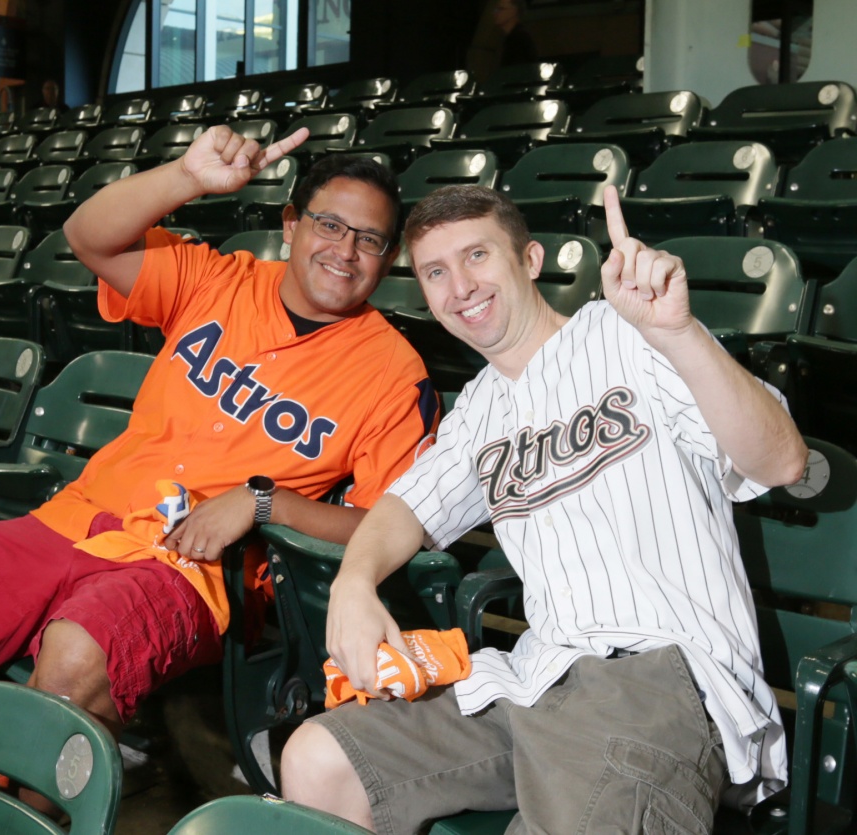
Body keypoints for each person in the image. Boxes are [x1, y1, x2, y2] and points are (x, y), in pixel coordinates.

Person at [0, 125, 438, 760]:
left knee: (77, 659)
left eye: (370, 240)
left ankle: (26, 796)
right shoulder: (218, 279)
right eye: (330, 225)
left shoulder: (393, 374)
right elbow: (87, 237)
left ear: (388, 260)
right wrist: (187, 177)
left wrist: (263, 502)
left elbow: (395, 523)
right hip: (76, 518)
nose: (346, 250)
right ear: (291, 223)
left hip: (193, 569)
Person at [280, 184, 808, 834]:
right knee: (317, 757)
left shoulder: (628, 333)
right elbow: (405, 507)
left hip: (657, 678)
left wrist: (679, 332)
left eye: (477, 256)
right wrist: (353, 583)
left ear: (529, 260)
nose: (460, 286)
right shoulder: (480, 405)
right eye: (436, 272)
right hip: (533, 677)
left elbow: (781, 461)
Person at [494, 0, 537, 66]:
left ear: (514, 11)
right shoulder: (510, 38)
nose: (495, 13)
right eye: (496, 9)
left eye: (501, 9)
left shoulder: (519, 39)